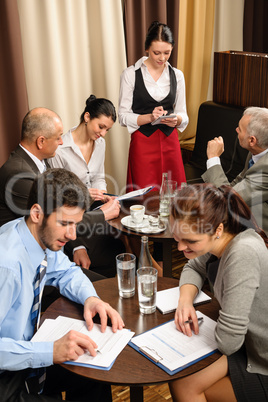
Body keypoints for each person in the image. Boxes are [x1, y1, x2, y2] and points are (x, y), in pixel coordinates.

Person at [0, 168, 124, 401]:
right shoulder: (6, 266)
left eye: (75, 224)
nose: (72, 235)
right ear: (37, 213)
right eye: (65, 223)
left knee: (93, 374)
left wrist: (91, 298)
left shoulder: (38, 237)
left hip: (27, 356)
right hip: (6, 377)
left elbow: (67, 272)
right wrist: (51, 351)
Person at [169, 183, 268, 401]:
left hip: (260, 358)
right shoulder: (222, 239)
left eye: (190, 241)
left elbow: (228, 343)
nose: (180, 248)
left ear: (218, 230)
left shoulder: (243, 253)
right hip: (246, 345)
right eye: (177, 238)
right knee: (180, 379)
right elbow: (193, 266)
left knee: (186, 386)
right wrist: (185, 302)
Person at [0, 107, 121, 280]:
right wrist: (103, 214)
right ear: (40, 141)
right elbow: (55, 221)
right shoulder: (19, 175)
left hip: (53, 249)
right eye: (58, 137)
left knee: (113, 250)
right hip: (33, 265)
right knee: (103, 285)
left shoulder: (41, 163)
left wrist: (79, 246)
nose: (61, 142)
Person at [48, 96, 125, 277]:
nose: (103, 133)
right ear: (87, 117)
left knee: (124, 209)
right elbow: (59, 198)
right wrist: (83, 194)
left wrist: (104, 195)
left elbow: (99, 177)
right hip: (72, 208)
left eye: (108, 129)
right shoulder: (60, 149)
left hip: (94, 202)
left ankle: (138, 259)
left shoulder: (100, 143)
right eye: (101, 127)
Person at [118, 20, 188, 193]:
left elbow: (183, 114)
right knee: (144, 195)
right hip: (142, 142)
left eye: (167, 52)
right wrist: (150, 117)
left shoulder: (177, 75)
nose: (162, 58)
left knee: (174, 195)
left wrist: (176, 119)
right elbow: (123, 116)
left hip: (170, 141)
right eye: (157, 53)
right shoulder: (130, 74)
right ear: (147, 48)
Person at [202, 106, 268, 235]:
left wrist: (213, 159)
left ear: (252, 140)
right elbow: (234, 187)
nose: (236, 130)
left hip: (261, 231)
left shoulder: (266, 167)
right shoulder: (256, 153)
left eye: (240, 129)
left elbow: (228, 200)